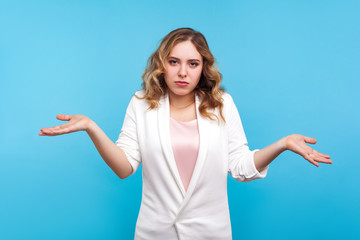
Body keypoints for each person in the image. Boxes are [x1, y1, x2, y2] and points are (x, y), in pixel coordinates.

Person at [39, 28, 332, 240]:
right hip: (155, 233)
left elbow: (240, 167)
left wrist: (282, 144)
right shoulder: (141, 104)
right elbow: (124, 167)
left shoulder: (222, 105)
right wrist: (92, 127)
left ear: (203, 67)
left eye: (192, 63)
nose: (182, 72)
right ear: (161, 64)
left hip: (211, 234)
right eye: (174, 61)